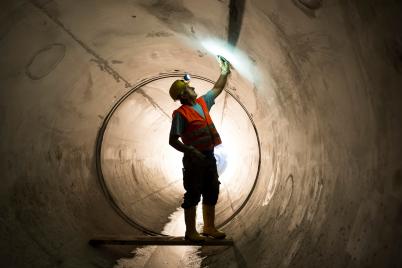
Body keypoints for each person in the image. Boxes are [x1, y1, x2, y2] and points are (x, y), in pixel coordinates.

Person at [168, 57, 231, 242]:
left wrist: (224, 72)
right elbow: (172, 140)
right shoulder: (180, 114)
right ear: (183, 95)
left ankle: (209, 228)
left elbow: (217, 88)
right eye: (188, 87)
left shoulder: (203, 103)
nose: (193, 87)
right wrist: (190, 151)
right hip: (194, 159)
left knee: (212, 189)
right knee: (193, 192)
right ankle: (191, 231)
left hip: (209, 156)